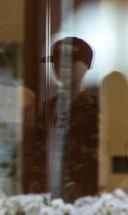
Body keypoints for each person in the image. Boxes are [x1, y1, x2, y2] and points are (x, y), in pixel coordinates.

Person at [41, 37, 100, 201]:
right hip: (48, 196)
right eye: (56, 62)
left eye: (69, 62)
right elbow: (38, 150)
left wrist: (82, 184)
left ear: (86, 66)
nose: (61, 68)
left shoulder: (96, 110)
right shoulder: (47, 108)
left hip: (85, 199)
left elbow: (101, 158)